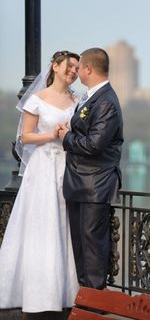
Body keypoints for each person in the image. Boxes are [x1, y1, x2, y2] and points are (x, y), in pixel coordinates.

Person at [0, 50, 80, 313]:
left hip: (66, 167)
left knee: (62, 224)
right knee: (41, 223)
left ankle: (61, 291)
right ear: (54, 67)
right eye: (69, 66)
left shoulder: (76, 100)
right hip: (44, 166)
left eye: (77, 68)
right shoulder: (37, 99)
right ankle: (35, 292)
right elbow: (25, 137)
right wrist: (52, 135)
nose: (73, 71)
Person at [58, 47, 124, 290]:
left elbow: (95, 145)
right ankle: (83, 300)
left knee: (93, 248)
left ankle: (94, 306)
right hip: (81, 184)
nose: (76, 72)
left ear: (88, 69)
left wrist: (66, 137)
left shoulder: (106, 101)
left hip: (95, 186)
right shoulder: (91, 97)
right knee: (80, 246)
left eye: (79, 68)